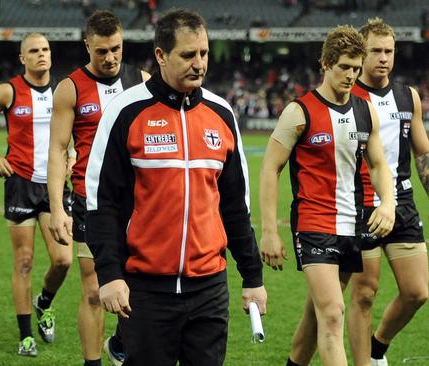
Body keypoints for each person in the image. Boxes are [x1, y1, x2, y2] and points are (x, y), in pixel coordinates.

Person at [85, 9, 267, 366]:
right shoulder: (126, 111)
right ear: (160, 56)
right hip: (146, 290)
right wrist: (109, 275)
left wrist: (252, 277)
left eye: (204, 53)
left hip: (209, 290)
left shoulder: (221, 113)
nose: (199, 64)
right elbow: (100, 201)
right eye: (188, 55)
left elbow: (235, 207)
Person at [259, 25, 395, 366]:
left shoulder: (366, 111)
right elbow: (270, 168)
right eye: (343, 67)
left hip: (352, 225)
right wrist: (270, 231)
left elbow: (378, 165)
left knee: (315, 314)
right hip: (313, 223)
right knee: (333, 314)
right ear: (325, 65)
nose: (350, 75)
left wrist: (389, 202)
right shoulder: (299, 112)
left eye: (355, 67)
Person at [47, 10, 150, 366]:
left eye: (116, 49)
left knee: (140, 284)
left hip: (139, 202)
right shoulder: (70, 88)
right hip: (89, 201)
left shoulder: (143, 82)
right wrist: (57, 209)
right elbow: (58, 150)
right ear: (87, 45)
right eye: (101, 51)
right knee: (93, 288)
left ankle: (120, 343)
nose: (110, 58)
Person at [0, 32, 73, 357]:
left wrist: (75, 155)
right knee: (24, 261)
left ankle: (45, 302)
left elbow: (80, 128)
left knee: (64, 260)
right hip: (21, 183)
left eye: (46, 50)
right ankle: (26, 337)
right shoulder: (10, 91)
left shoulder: (64, 90)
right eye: (34, 51)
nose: (42, 55)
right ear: (23, 58)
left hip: (53, 185)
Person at [348, 18, 428, 366]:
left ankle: (377, 346)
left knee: (417, 292)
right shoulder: (347, 97)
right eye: (375, 51)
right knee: (365, 294)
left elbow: (423, 152)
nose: (383, 58)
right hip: (361, 205)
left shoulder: (407, 96)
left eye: (388, 51)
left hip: (402, 202)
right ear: (361, 54)